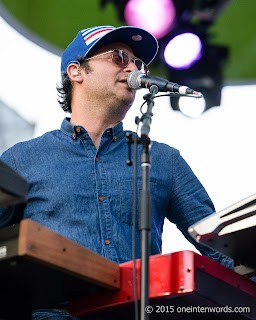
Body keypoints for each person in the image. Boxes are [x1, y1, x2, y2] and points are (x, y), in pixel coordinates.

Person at [0, 25, 232, 319]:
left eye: (139, 63)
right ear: (76, 72)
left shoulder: (163, 160)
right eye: (120, 57)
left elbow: (221, 246)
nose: (134, 68)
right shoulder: (21, 159)